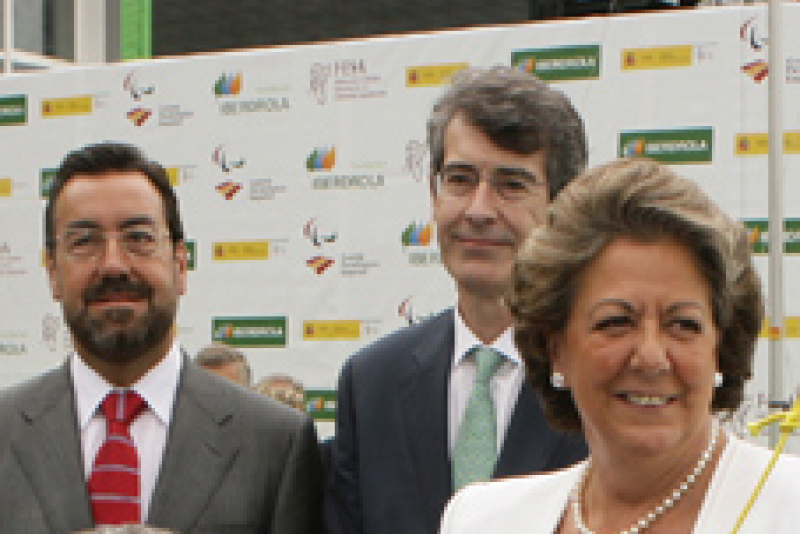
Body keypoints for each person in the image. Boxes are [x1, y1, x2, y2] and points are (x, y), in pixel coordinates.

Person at [440, 158, 800, 533]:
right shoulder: (481, 519)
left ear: (720, 348)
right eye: (616, 323)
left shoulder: (789, 508)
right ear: (555, 347)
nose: (651, 358)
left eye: (683, 325)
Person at [0, 142, 323, 534]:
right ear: (52, 272)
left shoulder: (275, 443)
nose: (114, 264)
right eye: (84, 242)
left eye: (138, 237)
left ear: (181, 264)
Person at [324, 66, 589, 534]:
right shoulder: (371, 386)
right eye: (461, 179)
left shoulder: (601, 380)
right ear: (433, 192)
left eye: (511, 184)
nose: (479, 210)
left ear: (562, 204)